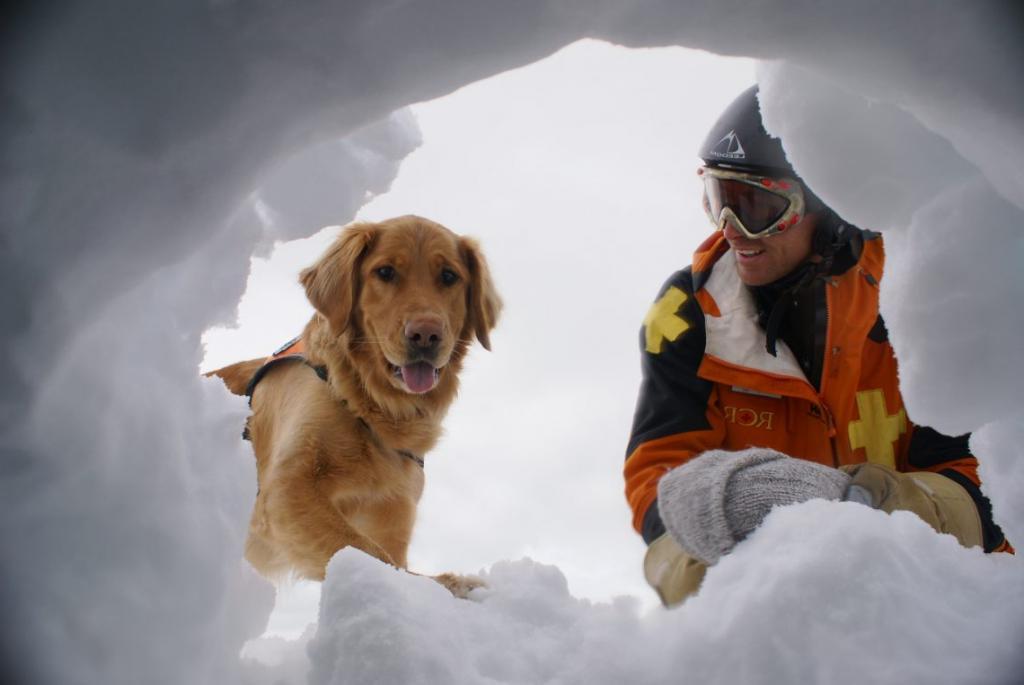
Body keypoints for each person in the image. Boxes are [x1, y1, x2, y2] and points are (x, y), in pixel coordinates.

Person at [623, 85, 1010, 607]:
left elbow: (993, 486)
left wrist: (871, 505)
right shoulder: (689, 311)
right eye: (719, 200)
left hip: (936, 599)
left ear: (830, 208)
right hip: (767, 599)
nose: (732, 231)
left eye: (757, 205)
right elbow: (658, 463)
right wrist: (704, 541)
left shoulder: (922, 298)